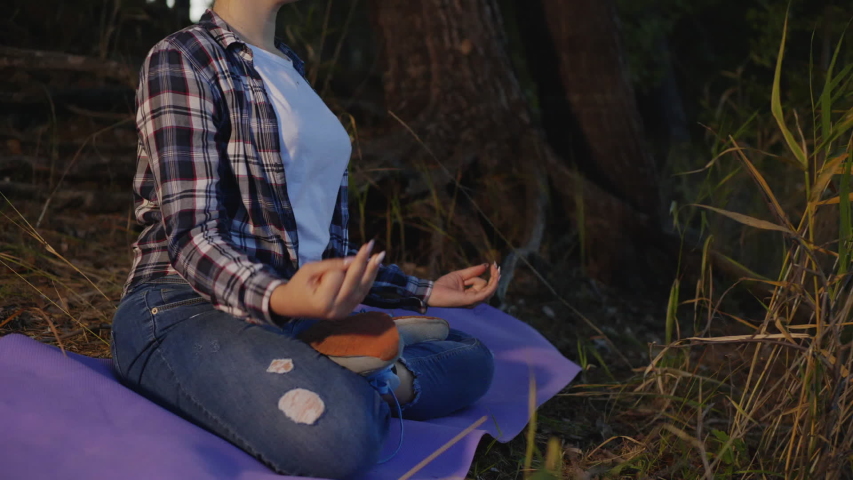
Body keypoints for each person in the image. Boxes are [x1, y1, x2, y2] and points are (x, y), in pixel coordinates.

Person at [110, 0, 498, 478]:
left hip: (293, 312)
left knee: (472, 358)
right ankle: (362, 374)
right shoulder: (183, 57)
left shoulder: (292, 68)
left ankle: (340, 359)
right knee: (344, 437)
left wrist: (422, 291)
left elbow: (322, 251)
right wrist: (279, 296)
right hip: (183, 307)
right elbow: (191, 237)